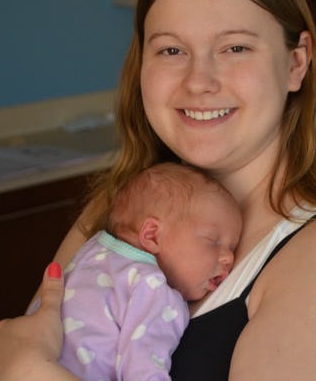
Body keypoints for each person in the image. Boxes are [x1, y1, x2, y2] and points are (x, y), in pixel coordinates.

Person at [0, 0, 316, 381]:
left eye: (235, 47)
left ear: (296, 62)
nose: (199, 81)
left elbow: (22, 362)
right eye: (171, 50)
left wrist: (28, 371)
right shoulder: (113, 213)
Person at [28, 162, 241, 380]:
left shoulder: (92, 250)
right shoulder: (154, 290)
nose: (229, 257)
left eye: (233, 247)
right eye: (213, 241)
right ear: (151, 235)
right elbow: (143, 370)